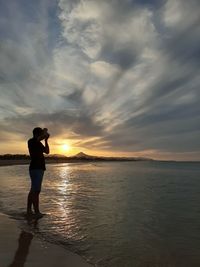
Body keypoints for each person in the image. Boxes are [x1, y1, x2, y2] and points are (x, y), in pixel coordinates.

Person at [27, 127, 50, 218]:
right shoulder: (31, 141)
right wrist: (44, 132)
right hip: (35, 168)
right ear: (37, 134)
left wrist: (46, 140)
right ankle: (36, 212)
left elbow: (47, 151)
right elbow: (40, 137)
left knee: (34, 190)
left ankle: (29, 210)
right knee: (35, 191)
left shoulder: (39, 143)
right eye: (40, 133)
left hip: (39, 168)